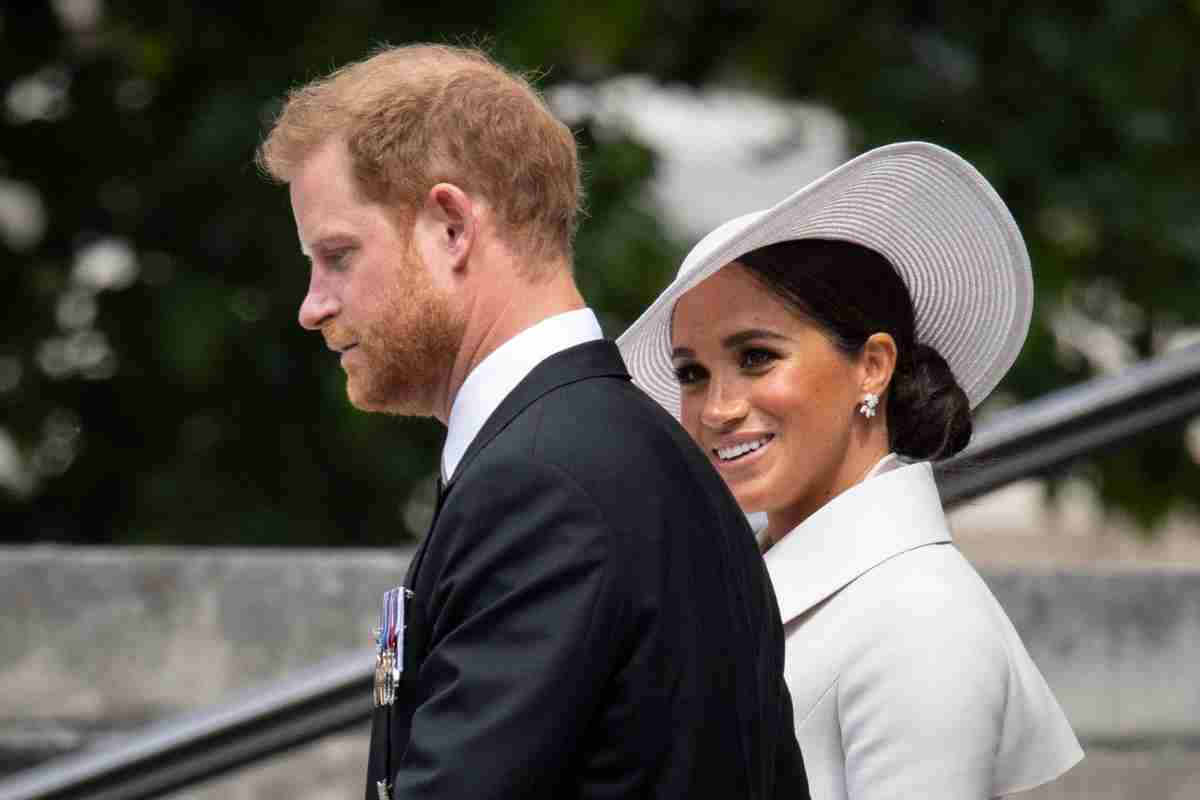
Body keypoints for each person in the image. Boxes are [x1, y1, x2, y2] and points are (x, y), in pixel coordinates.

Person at [257, 44, 808, 800]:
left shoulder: (544, 485)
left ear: (450, 226)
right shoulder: (611, 451)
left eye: (339, 255)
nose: (312, 306)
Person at [618, 141, 1083, 798]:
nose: (717, 409)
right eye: (693, 373)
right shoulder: (758, 588)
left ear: (872, 366)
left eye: (755, 357)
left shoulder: (919, 616)